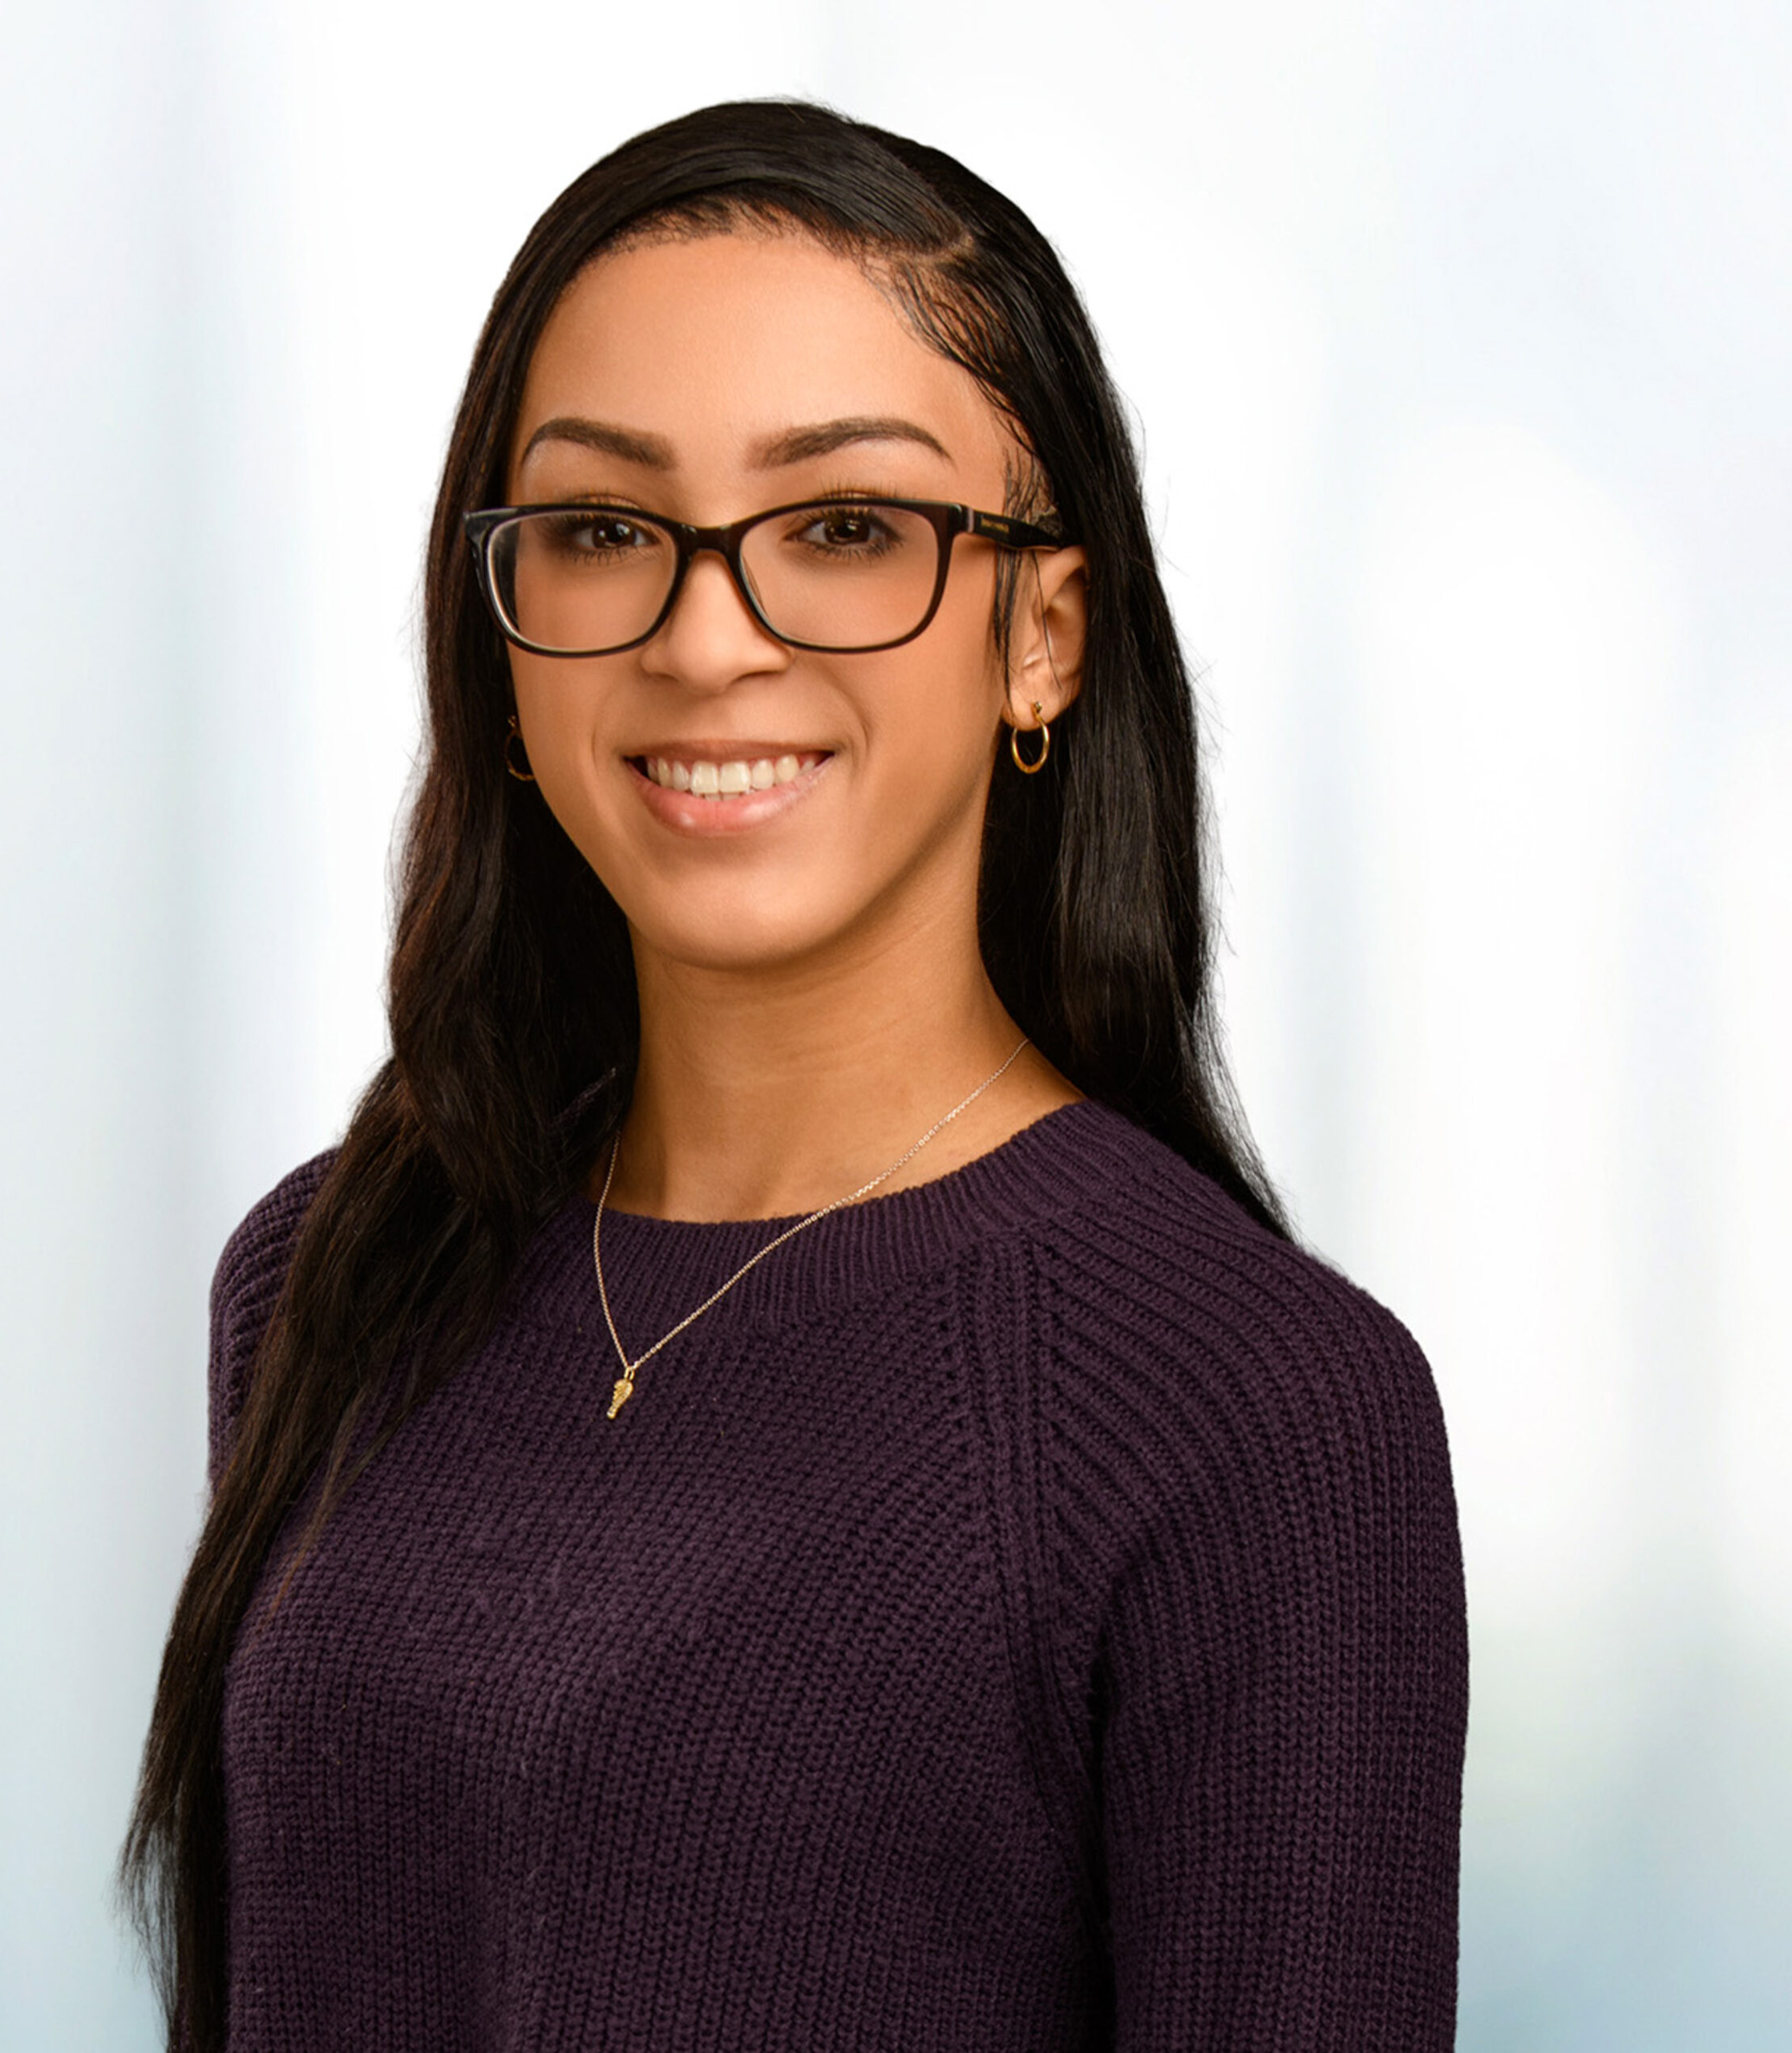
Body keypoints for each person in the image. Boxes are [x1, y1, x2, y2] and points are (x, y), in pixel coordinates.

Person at [123, 99, 1466, 2052]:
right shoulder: (332, 1271)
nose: (703, 638)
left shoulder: (1257, 1413)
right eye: (601, 531)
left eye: (843, 529)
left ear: (1041, 632)